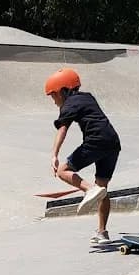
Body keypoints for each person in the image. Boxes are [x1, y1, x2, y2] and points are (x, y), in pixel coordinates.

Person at [45, 67, 121, 244]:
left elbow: (62, 130)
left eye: (53, 95)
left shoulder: (69, 105)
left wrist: (54, 155)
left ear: (63, 90)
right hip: (113, 143)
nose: (54, 101)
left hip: (96, 141)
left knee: (62, 170)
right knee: (102, 189)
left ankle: (89, 189)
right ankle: (102, 233)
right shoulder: (87, 97)